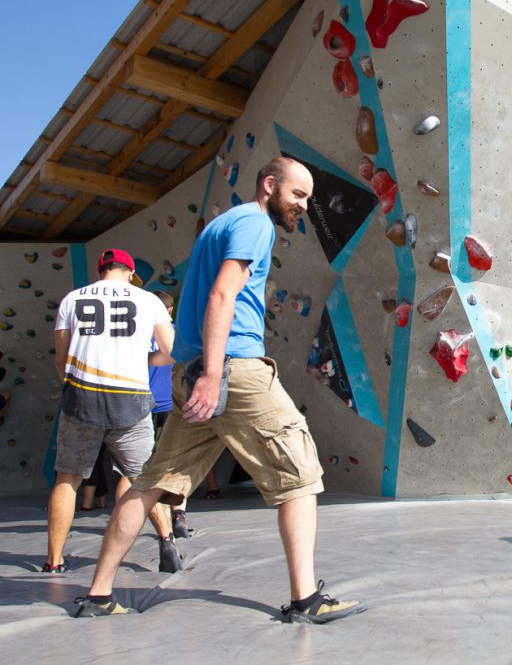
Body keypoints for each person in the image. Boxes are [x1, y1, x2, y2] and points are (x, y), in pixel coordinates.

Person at [75, 158, 365, 624]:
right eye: (298, 194)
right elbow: (222, 295)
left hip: (195, 371)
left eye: (308, 198)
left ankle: (98, 594)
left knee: (150, 482)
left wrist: (201, 373)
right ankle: (306, 599)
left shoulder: (219, 226)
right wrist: (214, 373)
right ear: (270, 185)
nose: (304, 206)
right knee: (300, 476)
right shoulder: (254, 223)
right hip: (233, 370)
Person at [46, 249, 179, 574]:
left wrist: (77, 383)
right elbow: (172, 350)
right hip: (130, 400)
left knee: (67, 480)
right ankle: (167, 543)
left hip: (82, 398)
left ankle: (54, 561)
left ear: (100, 269)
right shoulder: (147, 301)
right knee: (145, 479)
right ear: (131, 273)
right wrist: (146, 362)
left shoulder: (71, 300)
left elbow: (61, 361)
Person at [149, 290, 191, 539]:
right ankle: (178, 513)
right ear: (169, 310)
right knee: (175, 460)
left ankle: (163, 517)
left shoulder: (136, 331)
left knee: (145, 464)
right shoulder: (177, 332)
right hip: (171, 401)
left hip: (141, 400)